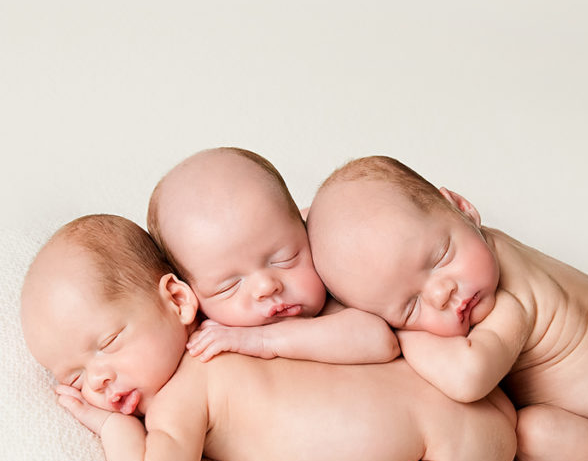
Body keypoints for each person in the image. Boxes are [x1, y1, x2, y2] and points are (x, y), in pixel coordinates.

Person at [19, 214, 517, 461]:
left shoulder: (181, 397)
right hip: (478, 399)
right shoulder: (241, 321)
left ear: (176, 299)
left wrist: (112, 429)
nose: (99, 382)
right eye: (76, 378)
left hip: (449, 458)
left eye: (106, 345)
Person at [306, 156, 588, 461]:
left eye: (440, 257)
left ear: (461, 206)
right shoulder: (479, 244)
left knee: (531, 433)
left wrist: (394, 330)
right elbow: (368, 248)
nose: (442, 293)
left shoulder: (510, 302)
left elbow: (468, 379)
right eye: (410, 306)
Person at [147, 147, 399, 364]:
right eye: (229, 285)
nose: (266, 287)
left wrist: (263, 340)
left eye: (284, 259)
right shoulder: (205, 337)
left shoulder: (335, 297)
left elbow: (380, 340)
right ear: (186, 297)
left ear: (306, 229)